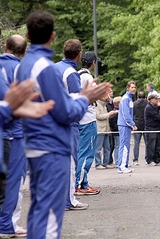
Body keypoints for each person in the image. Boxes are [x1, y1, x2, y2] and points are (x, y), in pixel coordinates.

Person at [16, 11, 112, 239]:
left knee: (39, 212)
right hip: (50, 146)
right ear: (53, 36)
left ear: (27, 36)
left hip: (34, 143)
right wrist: (85, 98)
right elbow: (64, 112)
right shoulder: (44, 68)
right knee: (49, 216)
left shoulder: (24, 64)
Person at [0, 66, 55, 239]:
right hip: (14, 134)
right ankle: (8, 224)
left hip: (9, 132)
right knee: (13, 183)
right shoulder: (20, 68)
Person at [54, 39, 89, 210]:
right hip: (68, 123)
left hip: (52, 121)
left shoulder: (55, 67)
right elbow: (76, 100)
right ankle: (69, 200)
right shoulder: (71, 73)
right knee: (71, 162)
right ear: (79, 54)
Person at [0, 34, 29, 239]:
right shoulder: (21, 70)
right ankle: (8, 223)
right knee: (15, 179)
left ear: (5, 46)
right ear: (23, 51)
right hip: (15, 130)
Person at [75, 51, 102, 195]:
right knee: (87, 153)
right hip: (88, 120)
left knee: (80, 151)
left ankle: (81, 182)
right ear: (93, 63)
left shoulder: (77, 74)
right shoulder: (87, 77)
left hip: (79, 119)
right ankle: (80, 185)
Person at [117, 81, 137, 173]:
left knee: (125, 145)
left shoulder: (129, 98)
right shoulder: (126, 99)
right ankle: (122, 166)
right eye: (132, 87)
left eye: (134, 87)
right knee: (124, 145)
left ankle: (123, 165)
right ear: (128, 88)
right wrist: (132, 124)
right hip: (124, 125)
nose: (133, 89)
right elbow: (126, 114)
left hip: (125, 125)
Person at [95, 92, 118, 169]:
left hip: (106, 129)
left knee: (107, 147)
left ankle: (106, 162)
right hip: (100, 129)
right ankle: (98, 163)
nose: (107, 98)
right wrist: (109, 114)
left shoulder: (104, 105)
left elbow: (106, 118)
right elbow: (98, 116)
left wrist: (112, 115)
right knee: (98, 148)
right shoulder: (96, 104)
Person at [144, 94, 160, 166]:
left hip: (156, 127)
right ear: (151, 100)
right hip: (150, 128)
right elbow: (158, 116)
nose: (157, 100)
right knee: (151, 145)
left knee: (158, 145)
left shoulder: (156, 107)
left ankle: (157, 159)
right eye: (155, 99)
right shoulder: (149, 108)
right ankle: (150, 160)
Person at [133, 91, 146, 165]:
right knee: (147, 143)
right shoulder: (147, 103)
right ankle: (148, 159)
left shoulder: (134, 103)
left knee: (136, 143)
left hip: (137, 124)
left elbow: (133, 113)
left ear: (138, 96)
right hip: (145, 124)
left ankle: (135, 159)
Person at [109, 96, 122, 167]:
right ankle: (117, 161)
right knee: (118, 146)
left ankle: (119, 161)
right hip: (116, 131)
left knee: (119, 146)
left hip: (118, 131)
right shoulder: (114, 112)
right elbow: (113, 123)